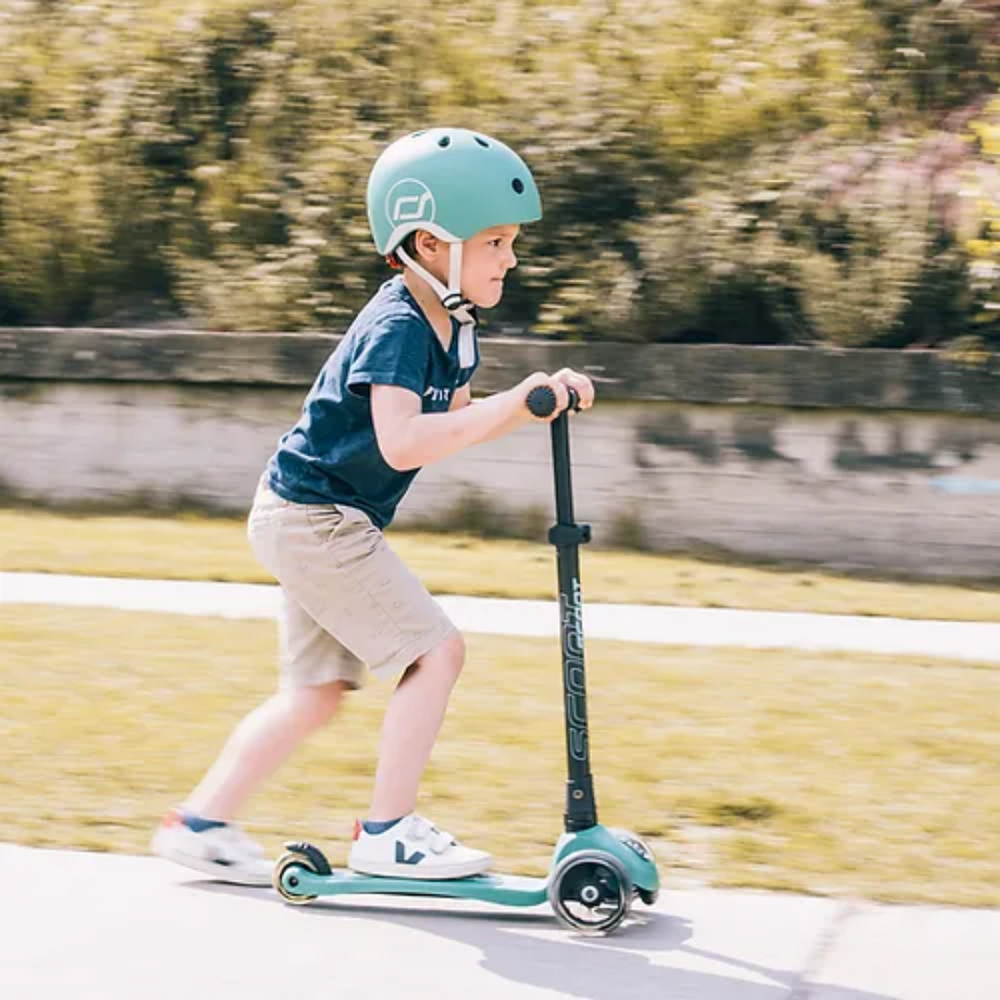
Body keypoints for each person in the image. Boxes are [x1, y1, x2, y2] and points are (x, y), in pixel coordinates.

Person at [151, 127, 595, 885]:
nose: (512, 259)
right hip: (315, 517)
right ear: (430, 243)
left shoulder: (454, 326)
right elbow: (400, 442)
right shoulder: (396, 326)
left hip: (309, 514)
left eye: (511, 242)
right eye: (496, 242)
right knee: (436, 652)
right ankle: (388, 832)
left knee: (317, 693)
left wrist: (532, 404)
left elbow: (449, 427)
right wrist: (516, 405)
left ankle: (200, 823)